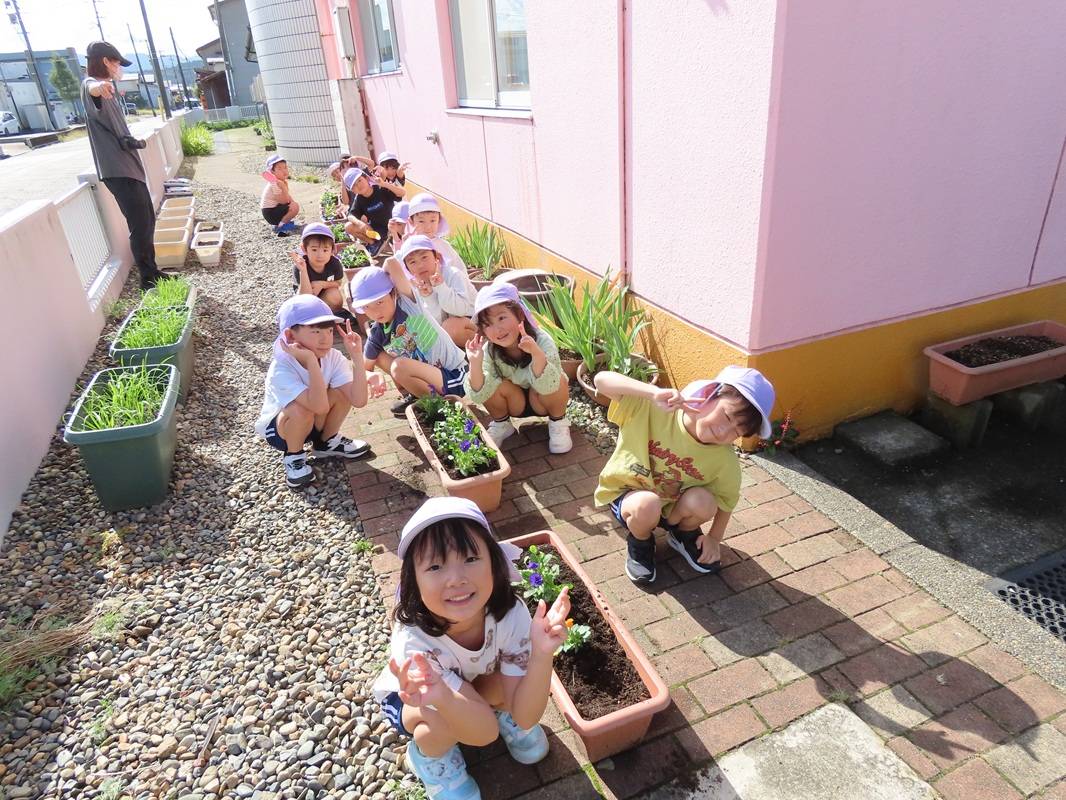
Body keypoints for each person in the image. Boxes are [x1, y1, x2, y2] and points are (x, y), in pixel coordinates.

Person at [372, 496, 571, 799]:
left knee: (510, 688)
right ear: (414, 581)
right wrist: (442, 696)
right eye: (436, 566)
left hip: (473, 677)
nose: (456, 579)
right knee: (437, 723)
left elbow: (528, 716)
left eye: (470, 559)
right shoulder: (415, 643)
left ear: (494, 563)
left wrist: (542, 656)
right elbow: (484, 734)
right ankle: (430, 758)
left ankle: (497, 711)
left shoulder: (509, 613)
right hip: (415, 697)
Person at [593, 366, 775, 585]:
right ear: (708, 393)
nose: (724, 432)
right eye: (726, 416)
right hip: (632, 497)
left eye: (736, 432)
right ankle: (641, 542)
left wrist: (714, 539)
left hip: (673, 508)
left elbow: (727, 501)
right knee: (647, 504)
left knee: (705, 502)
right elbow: (601, 380)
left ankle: (682, 534)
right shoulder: (654, 409)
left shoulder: (724, 460)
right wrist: (651, 392)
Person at [254, 295, 385, 488]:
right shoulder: (281, 369)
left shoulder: (333, 357)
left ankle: (326, 442)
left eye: (330, 331)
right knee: (301, 409)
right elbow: (320, 406)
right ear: (290, 336)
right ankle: (294, 456)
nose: (325, 340)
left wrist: (356, 356)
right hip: (283, 431)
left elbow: (358, 400)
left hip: (315, 419)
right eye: (315, 331)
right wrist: (310, 362)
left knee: (341, 392)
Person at [81, 41, 171, 289]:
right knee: (140, 224)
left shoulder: (109, 90)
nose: (118, 68)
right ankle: (148, 279)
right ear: (105, 61)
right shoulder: (92, 85)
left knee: (147, 220)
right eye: (117, 63)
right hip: (118, 170)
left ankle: (152, 271)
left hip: (127, 167)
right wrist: (100, 86)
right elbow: (92, 88)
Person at [347, 255, 468, 417]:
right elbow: (363, 368)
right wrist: (371, 375)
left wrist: (379, 278)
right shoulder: (377, 332)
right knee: (380, 356)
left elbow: (391, 263)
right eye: (367, 307)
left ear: (393, 293)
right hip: (430, 378)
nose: (375, 312)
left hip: (454, 375)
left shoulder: (408, 304)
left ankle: (439, 409)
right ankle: (416, 395)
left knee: (399, 366)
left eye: (380, 302)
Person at [464, 283, 572, 454]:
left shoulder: (542, 340)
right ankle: (502, 424)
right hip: (515, 404)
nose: (497, 329)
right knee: (488, 381)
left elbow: (550, 385)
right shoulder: (489, 350)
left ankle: (558, 422)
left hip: (542, 400)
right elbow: (479, 395)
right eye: (487, 324)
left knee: (556, 377)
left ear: (520, 314)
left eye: (501, 318)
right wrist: (475, 364)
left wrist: (536, 354)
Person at [397, 234, 477, 347]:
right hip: (448, 330)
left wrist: (441, 286)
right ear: (408, 269)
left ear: (436, 258)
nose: (420, 265)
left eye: (424, 257)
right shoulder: (417, 288)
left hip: (474, 323)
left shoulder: (453, 274)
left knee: (450, 327)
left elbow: (460, 310)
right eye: (412, 262)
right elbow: (435, 324)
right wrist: (428, 297)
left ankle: (487, 345)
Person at [344, 167, 404, 256]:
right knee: (348, 226)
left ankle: (390, 240)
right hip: (376, 230)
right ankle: (373, 243)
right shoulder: (359, 199)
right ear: (352, 191)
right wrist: (361, 224)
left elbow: (402, 193)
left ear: (366, 178)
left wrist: (385, 184)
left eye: (359, 180)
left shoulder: (380, 188)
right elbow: (350, 215)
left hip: (394, 226)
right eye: (354, 186)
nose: (358, 186)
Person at [289, 222, 344, 313]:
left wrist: (322, 284)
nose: (320, 255)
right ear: (304, 249)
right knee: (305, 309)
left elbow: (338, 282)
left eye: (325, 250)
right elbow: (305, 297)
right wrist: (303, 271)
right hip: (305, 298)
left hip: (324, 295)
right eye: (314, 249)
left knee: (335, 296)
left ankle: (331, 316)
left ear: (333, 250)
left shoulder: (334, 263)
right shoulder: (300, 266)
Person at [406, 193, 466, 274]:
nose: (428, 226)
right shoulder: (409, 246)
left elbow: (460, 270)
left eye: (432, 220)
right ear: (411, 222)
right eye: (421, 221)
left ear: (439, 220)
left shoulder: (444, 245)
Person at [261, 155, 300, 236]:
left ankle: (282, 221)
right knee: (295, 207)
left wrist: (292, 203)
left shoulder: (279, 182)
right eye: (279, 168)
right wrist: (283, 187)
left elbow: (288, 198)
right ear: (272, 172)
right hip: (270, 213)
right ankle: (280, 226)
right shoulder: (274, 184)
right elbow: (284, 201)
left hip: (273, 210)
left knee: (294, 205)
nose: (284, 171)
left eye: (285, 167)